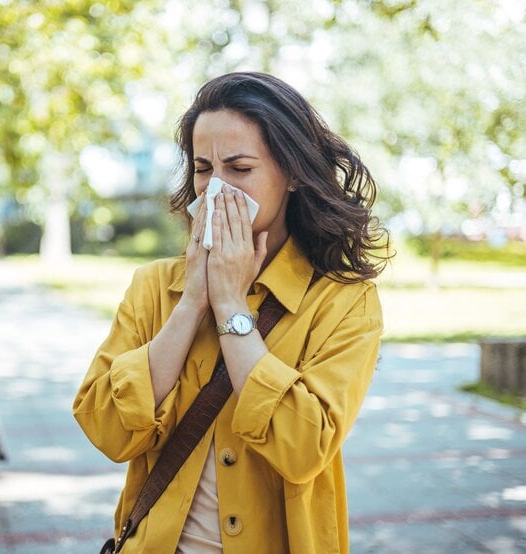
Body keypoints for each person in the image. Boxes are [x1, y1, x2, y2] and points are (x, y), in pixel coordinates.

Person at [73, 72, 391, 553]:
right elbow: (107, 429)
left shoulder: (343, 301)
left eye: (239, 168)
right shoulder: (155, 287)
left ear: (292, 175)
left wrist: (229, 303)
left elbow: (305, 449)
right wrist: (192, 303)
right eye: (204, 168)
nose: (216, 189)